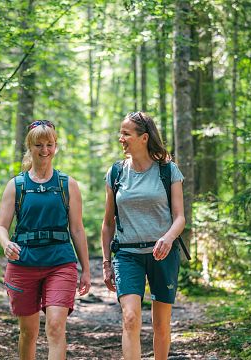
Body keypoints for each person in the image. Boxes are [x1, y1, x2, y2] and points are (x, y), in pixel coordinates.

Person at [0, 120, 91, 360]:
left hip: (60, 262)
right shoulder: (16, 185)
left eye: (50, 144)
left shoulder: (67, 184)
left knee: (56, 327)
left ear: (56, 146)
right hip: (23, 263)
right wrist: (6, 244)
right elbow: (1, 226)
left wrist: (86, 269)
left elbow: (77, 230)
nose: (45, 150)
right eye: (39, 144)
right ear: (30, 146)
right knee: (29, 332)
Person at [101, 111, 186, 360]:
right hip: (127, 254)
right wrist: (107, 263)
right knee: (130, 317)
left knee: (161, 324)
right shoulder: (116, 173)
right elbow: (107, 223)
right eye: (121, 133)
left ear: (144, 138)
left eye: (126, 133)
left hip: (164, 254)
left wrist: (168, 238)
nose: (121, 138)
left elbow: (180, 218)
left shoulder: (168, 170)